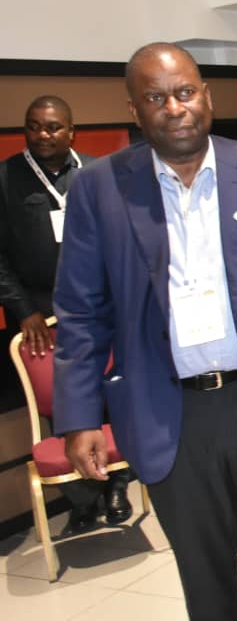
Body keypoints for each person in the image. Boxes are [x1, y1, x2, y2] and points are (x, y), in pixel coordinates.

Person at [52, 42, 237, 620]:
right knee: (205, 580)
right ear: (134, 109)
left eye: (184, 92)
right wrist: (79, 419)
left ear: (205, 96)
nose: (174, 108)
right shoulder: (99, 189)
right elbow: (81, 311)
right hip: (168, 413)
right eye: (156, 98)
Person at [0, 95, 132, 533]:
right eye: (34, 126)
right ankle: (84, 498)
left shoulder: (97, 173)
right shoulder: (5, 178)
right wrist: (23, 310)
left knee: (111, 396)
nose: (43, 134)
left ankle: (116, 484)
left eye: (53, 127)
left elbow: (120, 240)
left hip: (98, 308)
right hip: (39, 317)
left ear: (71, 131)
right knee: (61, 405)